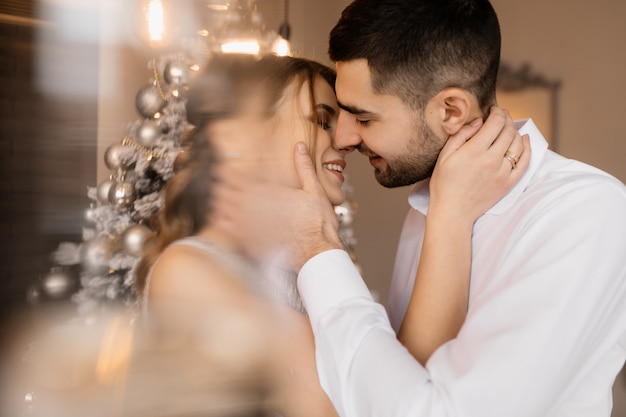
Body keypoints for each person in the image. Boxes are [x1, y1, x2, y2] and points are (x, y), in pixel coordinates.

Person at [213, 0, 626, 416]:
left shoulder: (585, 212)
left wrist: (318, 248)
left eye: (363, 117)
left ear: (450, 111)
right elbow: (398, 375)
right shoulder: (432, 203)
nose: (344, 137)